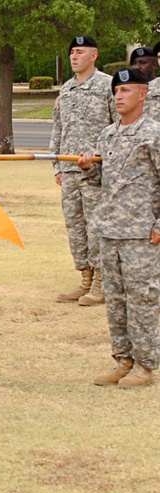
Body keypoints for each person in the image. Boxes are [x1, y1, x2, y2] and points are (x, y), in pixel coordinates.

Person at [78, 68, 160, 388]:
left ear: (143, 94)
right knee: (115, 301)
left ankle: (145, 364)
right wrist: (87, 168)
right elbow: (103, 182)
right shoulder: (106, 135)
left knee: (142, 299)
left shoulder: (154, 133)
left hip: (141, 232)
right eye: (116, 91)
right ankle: (123, 359)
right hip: (109, 229)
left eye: (126, 90)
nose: (119, 96)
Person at [49, 35, 116, 306]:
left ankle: (101, 283)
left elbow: (116, 126)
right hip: (69, 169)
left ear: (94, 56)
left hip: (96, 171)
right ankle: (85, 279)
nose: (74, 57)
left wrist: (107, 162)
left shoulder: (108, 86)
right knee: (75, 227)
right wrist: (57, 165)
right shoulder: (65, 90)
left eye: (80, 52)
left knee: (96, 225)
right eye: (72, 53)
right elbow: (58, 128)